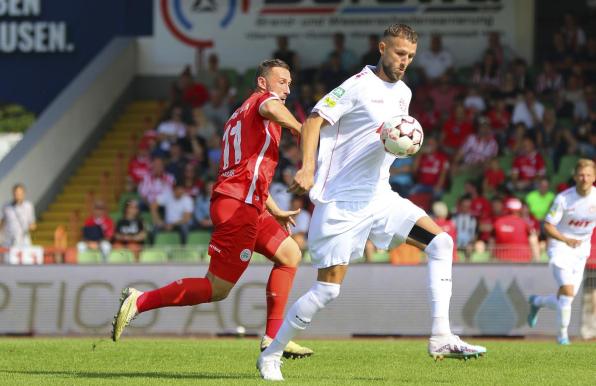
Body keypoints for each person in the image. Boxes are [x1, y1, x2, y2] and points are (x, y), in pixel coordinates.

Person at [257, 24, 485, 382]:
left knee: (441, 242)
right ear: (382, 48)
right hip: (341, 204)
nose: (404, 61)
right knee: (327, 290)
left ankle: (441, 335)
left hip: (380, 197)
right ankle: (271, 354)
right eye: (398, 53)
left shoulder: (404, 94)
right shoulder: (358, 86)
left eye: (409, 55)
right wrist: (307, 167)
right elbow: (315, 118)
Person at [112, 59, 313, 359]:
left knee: (290, 254)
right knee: (216, 288)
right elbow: (271, 107)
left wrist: (274, 209)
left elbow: (246, 169)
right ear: (262, 83)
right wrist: (300, 128)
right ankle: (141, 301)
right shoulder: (263, 103)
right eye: (281, 81)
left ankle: (274, 338)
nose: (287, 89)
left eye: (289, 83)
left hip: (249, 204)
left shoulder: (239, 116)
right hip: (238, 208)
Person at [527, 159, 596, 345]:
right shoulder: (564, 198)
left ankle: (537, 302)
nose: (584, 178)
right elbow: (548, 226)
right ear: (575, 177)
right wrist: (565, 239)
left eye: (588, 175)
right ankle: (562, 337)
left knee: (567, 297)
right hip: (560, 248)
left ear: (594, 177)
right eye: (581, 175)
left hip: (581, 251)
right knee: (568, 290)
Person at [0, 184, 36, 248]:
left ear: (23, 194)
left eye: (20, 193)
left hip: (23, 239)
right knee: (8, 257)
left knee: (26, 257)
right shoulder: (6, 206)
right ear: (13, 193)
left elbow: (32, 222)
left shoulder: (28, 206)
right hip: (9, 240)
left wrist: (32, 226)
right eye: (16, 193)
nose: (18, 195)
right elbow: (2, 221)